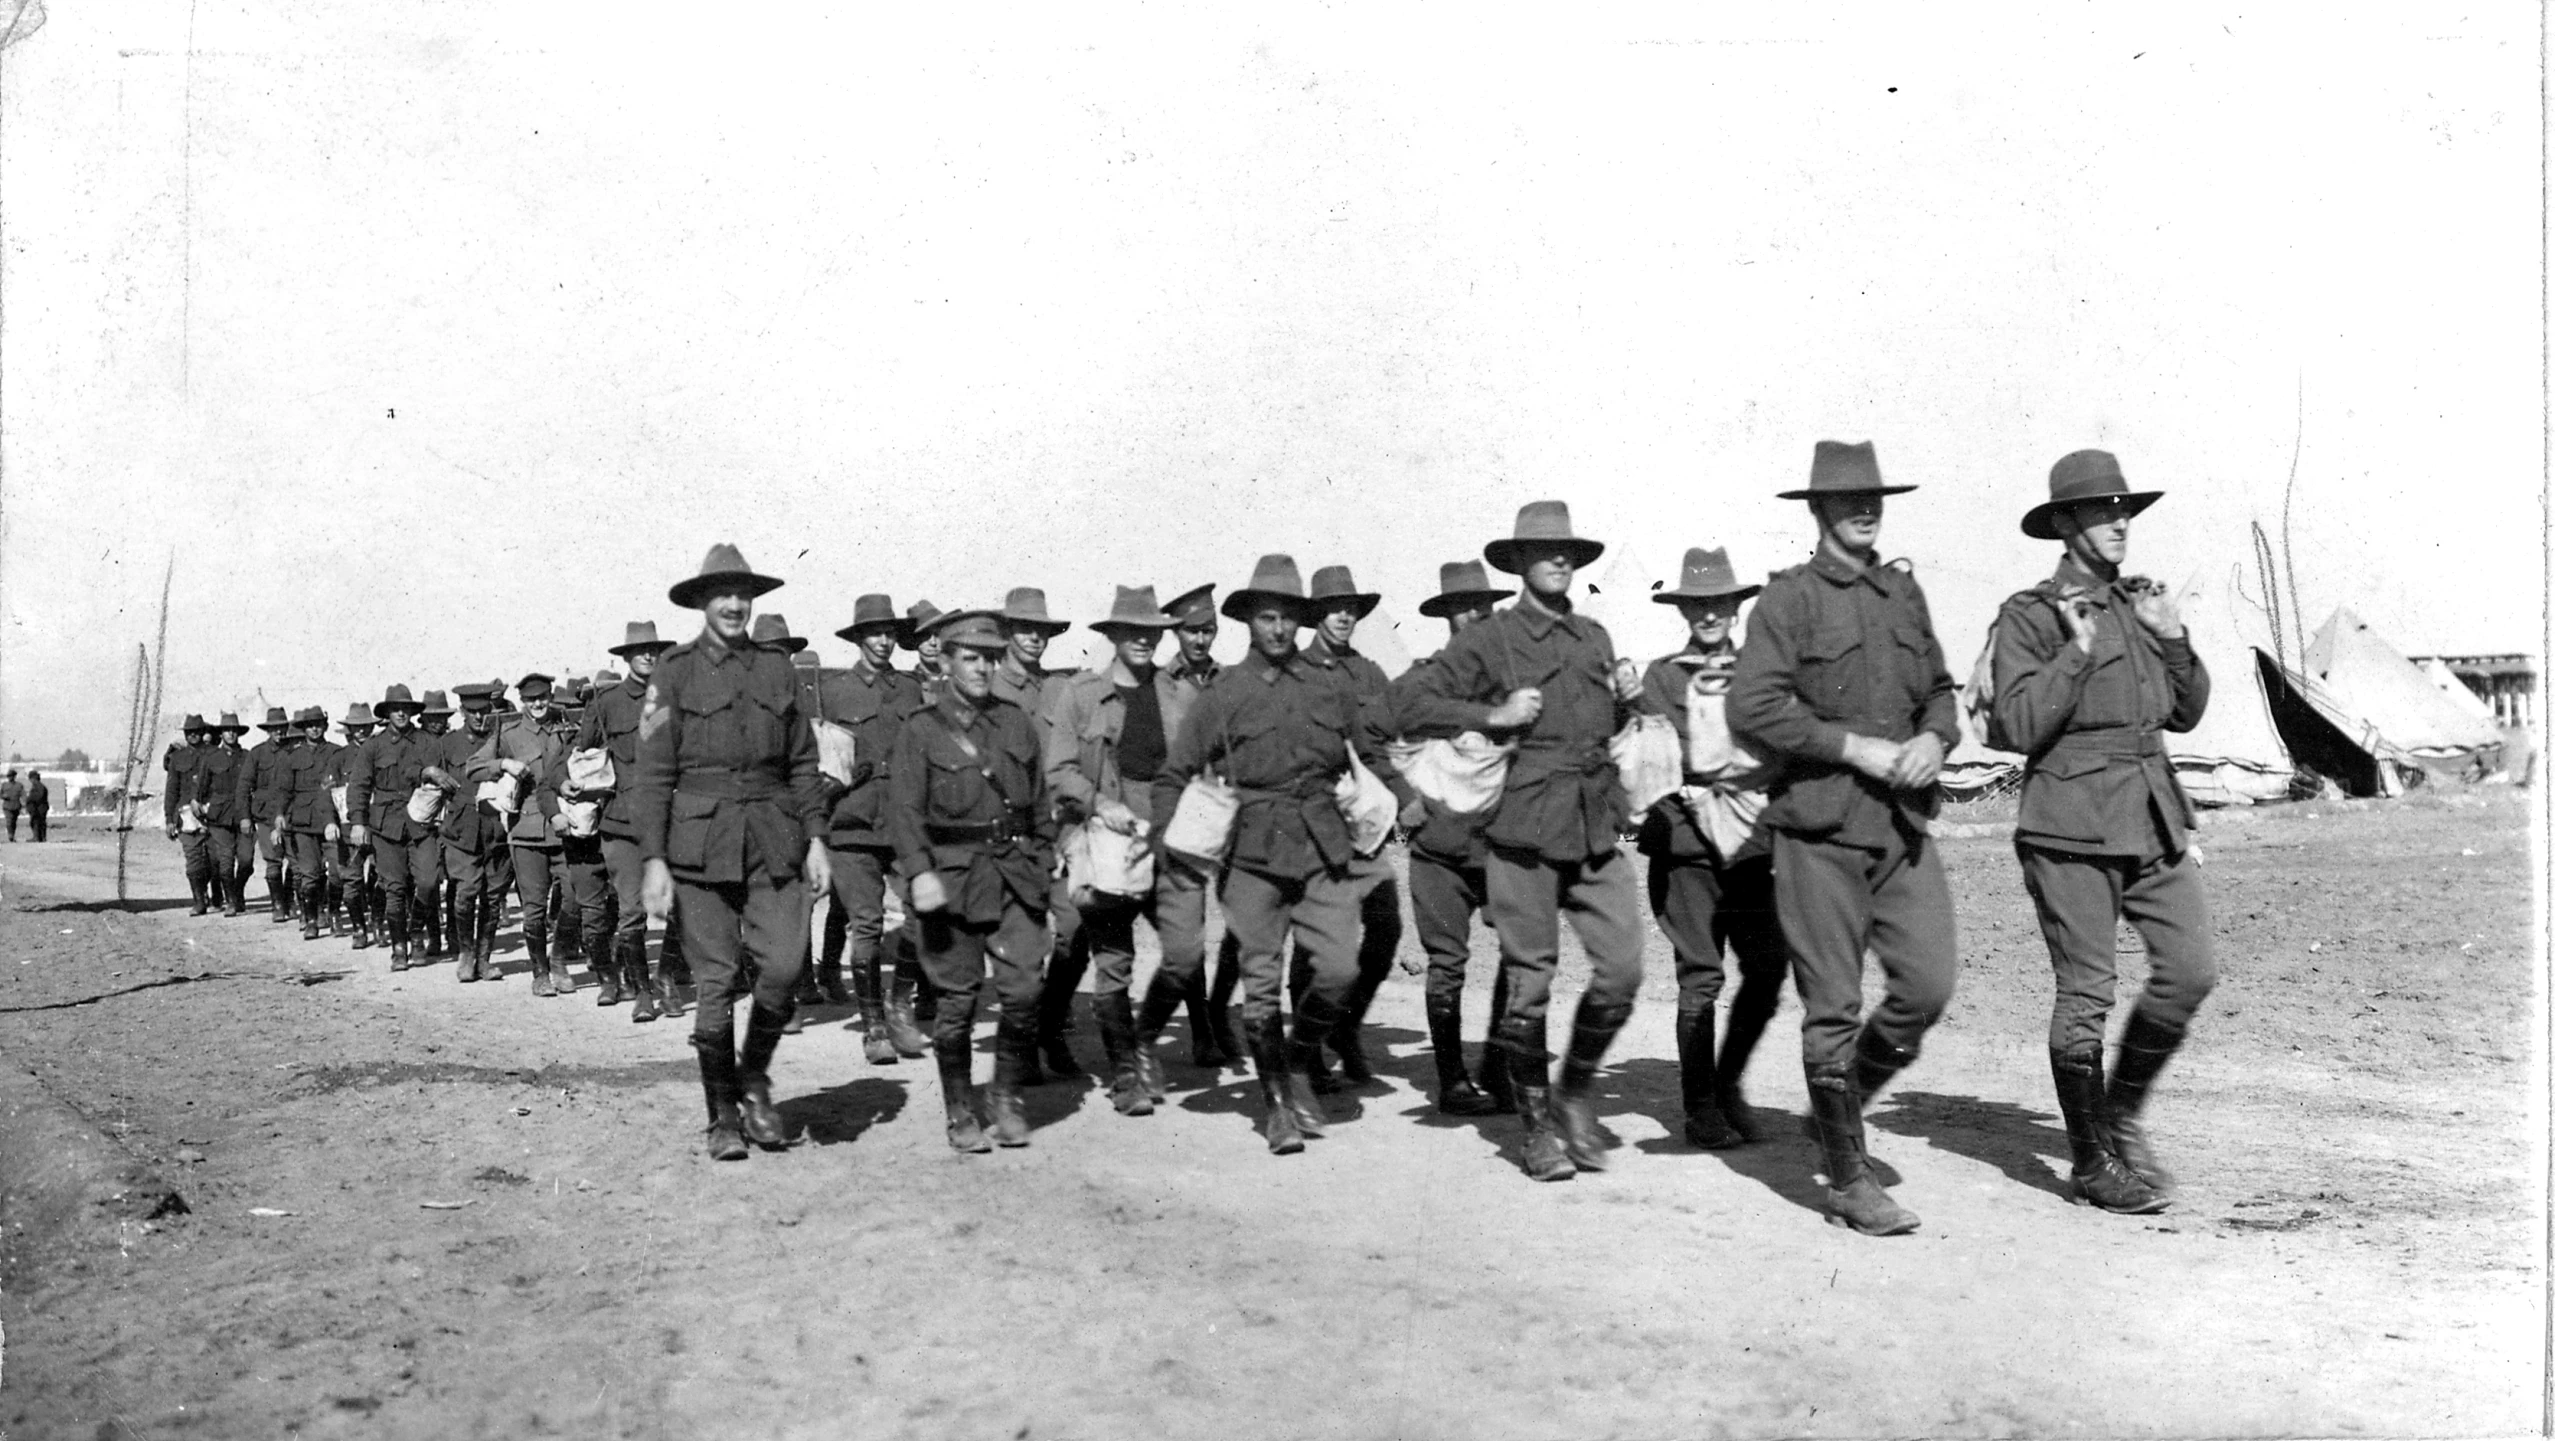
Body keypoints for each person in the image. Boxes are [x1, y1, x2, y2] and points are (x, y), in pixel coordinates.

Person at [1728, 441, 1961, 1237]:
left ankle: (1839, 1105)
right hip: (1819, 827)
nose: (1865, 508)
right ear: (1818, 509)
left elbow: (1937, 689)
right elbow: (1751, 706)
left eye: (1874, 496)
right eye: (1848, 497)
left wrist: (1936, 737)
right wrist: (1847, 745)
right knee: (1831, 1004)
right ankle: (1847, 1175)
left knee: (1927, 985)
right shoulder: (1787, 601)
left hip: (1900, 826)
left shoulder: (1902, 592)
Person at [1990, 449, 2215, 1214]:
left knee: (2189, 970)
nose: (2118, 520)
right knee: (2085, 992)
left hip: (2151, 815)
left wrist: (2174, 635)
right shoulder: (2029, 614)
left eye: (2124, 508)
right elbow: (2014, 722)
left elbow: (2184, 713)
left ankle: (2119, 1113)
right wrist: (2074, 656)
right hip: (2068, 825)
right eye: (2099, 509)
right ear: (2063, 523)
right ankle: (2090, 1163)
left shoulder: (2138, 602)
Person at [1397, 503, 1649, 1182]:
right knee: (1528, 984)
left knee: (1623, 969)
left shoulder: (1593, 636)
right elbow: (1405, 707)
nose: (1557, 558)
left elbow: (1603, 725)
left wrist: (1626, 698)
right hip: (1521, 831)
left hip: (1594, 824)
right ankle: (1536, 1127)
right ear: (1517, 561)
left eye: (1566, 549)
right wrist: (1490, 713)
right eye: (1542, 549)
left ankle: (1570, 1091)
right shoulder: (1492, 639)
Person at [1149, 556, 1375, 1156]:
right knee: (1262, 978)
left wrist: (1402, 799)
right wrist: (1168, 841)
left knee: (1338, 970)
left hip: (1322, 844)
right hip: (1250, 852)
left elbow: (1370, 749)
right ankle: (1277, 1103)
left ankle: (1299, 1063)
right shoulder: (1224, 693)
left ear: (1302, 622)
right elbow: (1174, 774)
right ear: (1249, 620)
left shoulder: (1329, 684)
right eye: (1266, 617)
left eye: (1288, 618)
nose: (1277, 629)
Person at [630, 544, 830, 1161]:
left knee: (784, 967)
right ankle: (722, 1117)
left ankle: (753, 1075)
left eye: (744, 594)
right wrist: (655, 859)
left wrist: (818, 837)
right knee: (715, 980)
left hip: (775, 838)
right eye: (722, 594)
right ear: (702, 602)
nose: (735, 604)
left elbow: (802, 762)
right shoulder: (674, 672)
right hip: (699, 845)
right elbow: (653, 773)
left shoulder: (777, 670)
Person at [886, 608, 1056, 1151]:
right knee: (957, 1004)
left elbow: (1040, 806)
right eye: (970, 657)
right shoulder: (921, 729)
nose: (982, 668)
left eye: (990, 658)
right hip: (952, 879)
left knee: (1026, 989)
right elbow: (904, 813)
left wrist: (1046, 861)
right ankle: (960, 1109)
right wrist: (919, 873)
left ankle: (1005, 1097)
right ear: (948, 660)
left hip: (1013, 875)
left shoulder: (1015, 722)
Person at [1636, 547, 1787, 1147]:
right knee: (1700, 977)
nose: (1709, 614)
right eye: (1698, 604)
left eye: (1719, 603)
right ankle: (1700, 1107)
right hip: (1687, 845)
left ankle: (1727, 1085)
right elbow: (1669, 754)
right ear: (1684, 609)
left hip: (1753, 846)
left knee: (1769, 969)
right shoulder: (1662, 676)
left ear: (1735, 606)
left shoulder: (1760, 669)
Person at [1039, 584, 1184, 1115]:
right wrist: (1100, 804)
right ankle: (1126, 1075)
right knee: (1114, 961)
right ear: (1115, 636)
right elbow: (1059, 770)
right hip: (1108, 840)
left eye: (1152, 632)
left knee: (1185, 953)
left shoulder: (1176, 693)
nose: (1144, 641)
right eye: (1134, 632)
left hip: (1166, 840)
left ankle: (1142, 1043)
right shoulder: (1080, 695)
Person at [1386, 560, 1517, 1116]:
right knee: (1447, 965)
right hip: (1439, 848)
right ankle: (1452, 1080)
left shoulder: (1516, 681)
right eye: (1464, 606)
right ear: (1446, 615)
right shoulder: (1420, 680)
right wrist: (1401, 796)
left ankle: (1500, 1064)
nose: (1476, 615)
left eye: (1483, 606)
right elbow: (1370, 738)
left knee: (1521, 954)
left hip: (1502, 845)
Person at [1298, 565, 1407, 1088]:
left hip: (1365, 828)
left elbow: (1384, 747)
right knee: (1314, 941)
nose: (1342, 616)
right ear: (1313, 615)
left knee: (1385, 930)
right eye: (1331, 608)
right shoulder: (1294, 672)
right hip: (1314, 826)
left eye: (1350, 609)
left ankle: (1346, 1026)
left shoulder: (1369, 675)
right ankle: (1309, 1045)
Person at [815, 593, 930, 1065]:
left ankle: (900, 1008)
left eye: (889, 633)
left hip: (904, 821)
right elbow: (821, 761)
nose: (883, 641)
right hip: (853, 822)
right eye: (874, 633)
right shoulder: (835, 691)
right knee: (866, 924)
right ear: (859, 638)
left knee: (924, 913)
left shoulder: (911, 690)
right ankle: (874, 1026)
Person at [1147, 582, 1245, 1067]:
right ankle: (1202, 1031)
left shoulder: (1231, 679)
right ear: (1175, 633)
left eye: (1207, 630)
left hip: (1232, 809)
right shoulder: (1160, 684)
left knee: (1245, 918)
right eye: (1191, 631)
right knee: (1191, 927)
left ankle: (1218, 1004)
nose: (1200, 640)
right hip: (1186, 815)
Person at [578, 622, 682, 1023]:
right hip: (622, 822)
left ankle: (668, 978)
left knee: (682, 907)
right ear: (625, 657)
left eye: (654, 650)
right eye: (640, 651)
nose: (648, 657)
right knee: (631, 912)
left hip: (671, 819)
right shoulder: (606, 704)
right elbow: (583, 756)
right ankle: (642, 992)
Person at [475, 674, 579, 996]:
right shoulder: (508, 733)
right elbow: (473, 767)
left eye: (543, 697)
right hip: (527, 830)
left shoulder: (567, 729)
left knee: (575, 898)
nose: (538, 704)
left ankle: (559, 959)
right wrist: (504, 763)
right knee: (533, 909)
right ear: (522, 701)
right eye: (531, 699)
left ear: (550, 696)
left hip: (567, 825)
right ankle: (541, 973)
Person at [345, 685, 442, 969]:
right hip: (385, 826)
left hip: (421, 823)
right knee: (395, 889)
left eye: (406, 708)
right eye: (395, 708)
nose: (401, 712)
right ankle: (400, 948)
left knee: (428, 881)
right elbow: (359, 786)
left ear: (412, 712)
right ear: (387, 712)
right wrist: (358, 822)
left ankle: (416, 933)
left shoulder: (427, 743)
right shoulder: (373, 746)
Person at [433, 685, 511, 983]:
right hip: (461, 828)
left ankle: (484, 959)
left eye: (484, 711)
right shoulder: (448, 743)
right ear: (462, 712)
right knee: (465, 894)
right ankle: (466, 953)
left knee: (492, 897)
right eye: (472, 711)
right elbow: (425, 771)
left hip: (496, 828)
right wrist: (432, 773)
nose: (479, 717)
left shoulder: (501, 739)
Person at [280, 708, 339, 939]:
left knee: (336, 872)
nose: (314, 729)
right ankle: (312, 919)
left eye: (318, 724)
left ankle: (333, 914)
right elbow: (284, 791)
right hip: (303, 823)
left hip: (330, 821)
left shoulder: (336, 753)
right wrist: (279, 815)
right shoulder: (292, 757)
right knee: (310, 874)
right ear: (303, 729)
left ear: (325, 726)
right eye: (310, 725)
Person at [237, 708, 300, 921]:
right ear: (268, 730)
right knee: (273, 861)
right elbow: (244, 786)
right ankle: (278, 905)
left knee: (294, 861)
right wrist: (245, 817)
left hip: (291, 815)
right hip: (264, 816)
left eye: (282, 728)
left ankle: (290, 900)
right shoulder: (257, 754)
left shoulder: (294, 752)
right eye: (274, 729)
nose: (279, 732)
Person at [324, 702, 379, 946]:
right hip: (348, 829)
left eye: (366, 726)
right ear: (349, 729)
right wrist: (329, 822)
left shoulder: (382, 750)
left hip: (379, 826)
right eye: (356, 727)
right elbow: (325, 793)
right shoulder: (338, 758)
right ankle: (359, 928)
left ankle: (378, 922)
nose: (362, 731)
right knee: (351, 883)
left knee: (384, 880)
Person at [196, 714, 252, 914]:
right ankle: (231, 901)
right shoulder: (211, 758)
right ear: (221, 733)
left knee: (246, 861)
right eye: (227, 730)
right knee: (225, 863)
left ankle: (237, 892)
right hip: (219, 818)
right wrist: (198, 805)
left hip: (244, 815)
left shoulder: (247, 756)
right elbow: (200, 790)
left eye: (234, 730)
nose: (231, 734)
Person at [163, 718, 215, 912]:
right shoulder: (177, 758)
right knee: (193, 861)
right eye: (189, 732)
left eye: (196, 731)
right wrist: (169, 819)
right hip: (186, 817)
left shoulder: (214, 754)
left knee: (214, 860)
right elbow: (171, 791)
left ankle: (213, 894)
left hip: (212, 814)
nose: (193, 735)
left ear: (203, 732)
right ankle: (199, 900)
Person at [21, 770, 47, 842]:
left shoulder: (39, 786)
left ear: (34, 778)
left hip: (40, 808)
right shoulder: (36, 786)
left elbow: (40, 796)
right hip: (36, 808)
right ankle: (40, 838)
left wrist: (30, 798)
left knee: (37, 823)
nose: (30, 781)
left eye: (31, 779)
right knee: (37, 823)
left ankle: (38, 838)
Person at [1, 768, 20, 842]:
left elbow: (23, 795)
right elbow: (0, 794)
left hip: (16, 806)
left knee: (14, 822)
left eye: (11, 776)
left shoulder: (19, 785)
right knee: (9, 821)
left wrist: (25, 804)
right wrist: (4, 796)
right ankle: (10, 835)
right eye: (8, 776)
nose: (10, 777)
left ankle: (12, 835)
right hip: (7, 806)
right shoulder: (4, 785)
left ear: (14, 776)